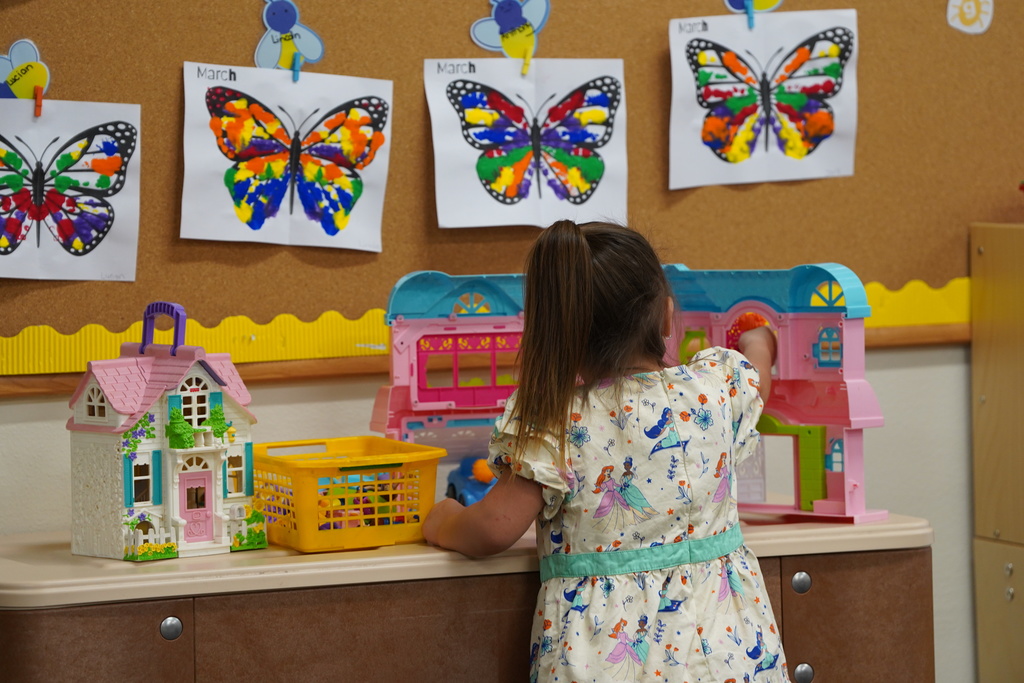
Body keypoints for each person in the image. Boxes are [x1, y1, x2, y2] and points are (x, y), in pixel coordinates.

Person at [423, 220, 788, 682]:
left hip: (606, 654)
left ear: (556, 331)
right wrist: (759, 338)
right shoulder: (713, 388)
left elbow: (495, 527)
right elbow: (756, 375)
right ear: (666, 316)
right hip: (728, 652)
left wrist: (442, 521)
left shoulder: (555, 420)